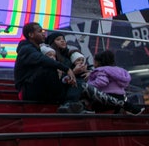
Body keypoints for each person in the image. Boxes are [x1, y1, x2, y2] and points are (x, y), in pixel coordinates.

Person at [14, 22, 143, 114]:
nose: (44, 33)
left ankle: (124, 105)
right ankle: (124, 105)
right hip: (28, 91)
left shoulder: (65, 55)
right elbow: (44, 62)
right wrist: (67, 70)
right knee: (57, 71)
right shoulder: (27, 49)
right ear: (30, 34)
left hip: (45, 87)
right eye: (40, 31)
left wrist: (83, 73)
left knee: (81, 83)